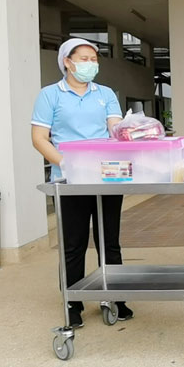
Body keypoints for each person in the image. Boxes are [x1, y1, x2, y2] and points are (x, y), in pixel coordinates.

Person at [31, 38, 133, 327]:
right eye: (84, 59)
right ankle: (72, 302)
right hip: (69, 180)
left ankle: (114, 296)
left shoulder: (105, 94)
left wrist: (134, 131)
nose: (91, 64)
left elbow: (116, 129)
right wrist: (67, 163)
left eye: (94, 59)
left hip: (106, 176)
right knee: (73, 243)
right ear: (67, 62)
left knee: (109, 241)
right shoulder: (50, 95)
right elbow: (39, 138)